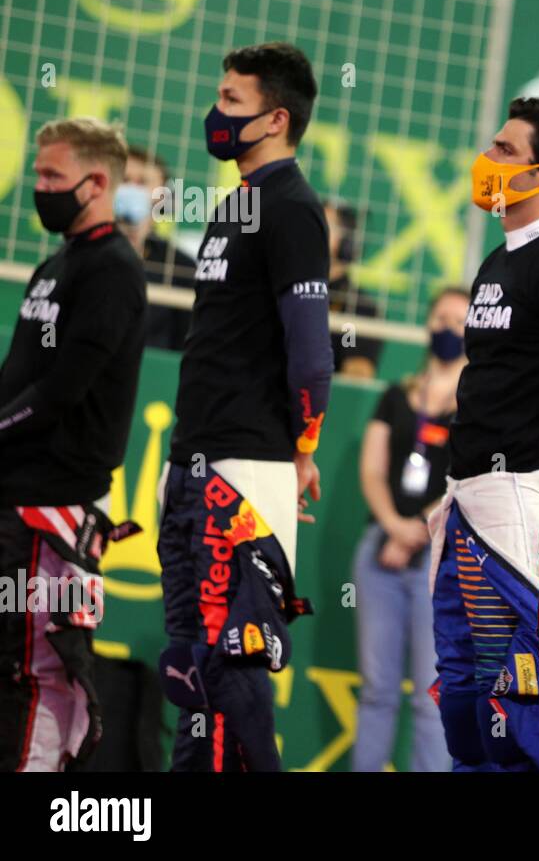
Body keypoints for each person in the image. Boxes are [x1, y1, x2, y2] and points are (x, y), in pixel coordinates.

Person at [157, 42, 332, 772]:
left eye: (232, 101)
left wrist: (302, 451)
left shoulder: (291, 208)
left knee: (236, 671)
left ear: (276, 118)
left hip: (244, 471)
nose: (216, 111)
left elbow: (312, 353)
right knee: (190, 671)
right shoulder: (237, 204)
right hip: (194, 462)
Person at [428, 97, 539, 772]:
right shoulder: (498, 262)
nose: (487, 160)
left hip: (525, 497)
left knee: (520, 694)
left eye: (504, 150)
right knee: (462, 688)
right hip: (466, 496)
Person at [0, 118, 146, 771]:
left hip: (55, 510)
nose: (39, 187)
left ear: (95, 182)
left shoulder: (114, 269)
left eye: (52, 176)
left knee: (39, 667)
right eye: (38, 174)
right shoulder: (55, 263)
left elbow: (61, 390)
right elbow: (19, 376)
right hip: (15, 497)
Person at [353, 288, 467, 772]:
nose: (448, 329)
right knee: (377, 690)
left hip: (440, 558)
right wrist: (395, 527)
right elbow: (373, 470)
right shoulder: (396, 395)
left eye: (460, 321)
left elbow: (467, 478)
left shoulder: (476, 403)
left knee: (429, 694)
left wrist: (418, 529)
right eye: (440, 317)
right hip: (380, 549)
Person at [115, 146, 196, 351]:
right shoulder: (79, 252)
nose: (132, 189)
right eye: (124, 180)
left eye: (142, 182)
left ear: (162, 196)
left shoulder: (181, 267)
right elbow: (49, 332)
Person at [324, 199, 384, 378]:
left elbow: (356, 374)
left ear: (346, 243)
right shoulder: (281, 289)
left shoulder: (357, 307)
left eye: (322, 225)